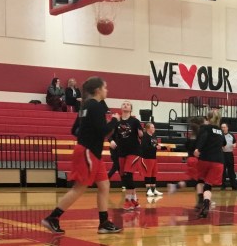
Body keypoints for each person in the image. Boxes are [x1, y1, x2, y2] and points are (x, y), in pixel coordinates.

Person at [41, 76, 120, 234]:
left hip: (90, 151)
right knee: (79, 188)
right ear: (97, 90)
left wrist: (86, 136)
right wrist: (114, 121)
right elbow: (103, 131)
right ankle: (53, 217)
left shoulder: (85, 106)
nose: (107, 90)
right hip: (88, 152)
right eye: (104, 88)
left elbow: (74, 130)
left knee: (104, 185)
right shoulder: (96, 106)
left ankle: (104, 222)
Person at [109, 101, 143, 210]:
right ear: (121, 107)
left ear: (131, 109)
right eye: (123, 104)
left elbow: (141, 135)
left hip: (134, 151)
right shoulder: (117, 122)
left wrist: (141, 134)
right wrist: (111, 141)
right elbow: (110, 135)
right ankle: (134, 200)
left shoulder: (135, 121)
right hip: (121, 152)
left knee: (128, 174)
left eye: (128, 104)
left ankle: (128, 200)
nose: (125, 105)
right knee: (125, 177)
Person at [193, 113, 226, 217]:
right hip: (218, 161)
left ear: (208, 118)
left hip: (205, 158)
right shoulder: (220, 131)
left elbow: (202, 138)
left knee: (200, 181)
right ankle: (206, 205)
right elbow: (224, 144)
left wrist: (198, 149)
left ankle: (200, 200)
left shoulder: (205, 128)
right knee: (208, 186)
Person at [139, 121, 162, 199]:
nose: (154, 128)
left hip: (153, 157)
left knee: (154, 173)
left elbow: (155, 145)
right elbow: (144, 147)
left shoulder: (154, 136)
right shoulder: (145, 136)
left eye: (154, 127)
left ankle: (153, 189)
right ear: (148, 128)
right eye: (152, 127)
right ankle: (148, 190)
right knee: (148, 173)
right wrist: (155, 147)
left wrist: (160, 147)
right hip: (147, 158)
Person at [220, 122, 237, 190]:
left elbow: (235, 142)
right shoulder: (220, 135)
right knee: (222, 170)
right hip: (222, 154)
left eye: (224, 127)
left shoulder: (231, 135)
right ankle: (223, 186)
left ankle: (234, 186)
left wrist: (234, 145)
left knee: (231, 170)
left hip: (229, 154)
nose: (223, 128)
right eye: (222, 127)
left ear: (227, 128)